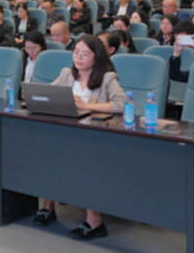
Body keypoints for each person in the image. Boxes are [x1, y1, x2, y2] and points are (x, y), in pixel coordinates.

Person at [33, 36, 126, 240]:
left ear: (96, 57)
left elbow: (123, 104)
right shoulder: (66, 74)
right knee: (45, 152)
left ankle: (94, 221)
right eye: (76, 52)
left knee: (82, 159)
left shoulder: (107, 77)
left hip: (94, 137)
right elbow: (49, 94)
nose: (79, 58)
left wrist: (87, 106)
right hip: (65, 133)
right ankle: (48, 207)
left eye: (85, 54)